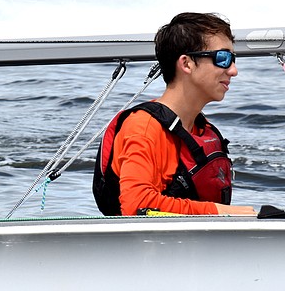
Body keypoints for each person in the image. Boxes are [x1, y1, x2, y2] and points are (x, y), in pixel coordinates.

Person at [93, 12, 256, 217]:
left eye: (233, 59)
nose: (233, 70)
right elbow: (136, 204)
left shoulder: (200, 128)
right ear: (186, 63)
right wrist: (219, 211)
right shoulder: (143, 128)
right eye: (222, 58)